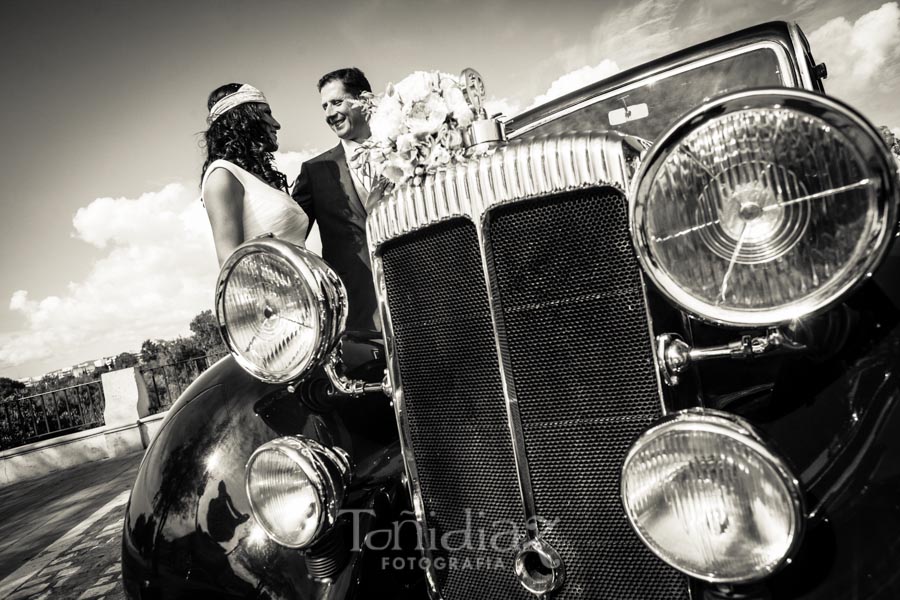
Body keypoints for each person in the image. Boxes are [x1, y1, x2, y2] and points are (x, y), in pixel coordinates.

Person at [291, 68, 379, 330]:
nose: (329, 113)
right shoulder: (315, 172)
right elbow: (291, 239)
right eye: (325, 106)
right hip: (362, 315)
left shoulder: (410, 145)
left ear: (364, 99)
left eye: (337, 102)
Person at [201, 82, 309, 266]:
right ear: (243, 119)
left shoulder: (260, 179)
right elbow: (230, 264)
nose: (277, 124)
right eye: (266, 113)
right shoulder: (222, 176)